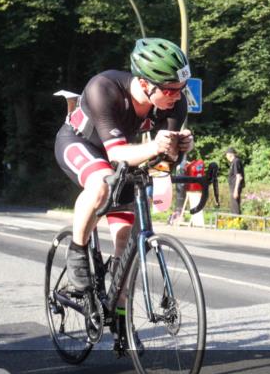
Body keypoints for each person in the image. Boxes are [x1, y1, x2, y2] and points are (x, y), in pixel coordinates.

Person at [54, 38, 194, 346]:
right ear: (144, 83)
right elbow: (116, 156)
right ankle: (78, 254)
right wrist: (156, 145)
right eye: (169, 90)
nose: (177, 96)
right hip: (80, 144)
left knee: (127, 240)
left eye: (182, 88)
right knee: (102, 185)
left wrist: (178, 150)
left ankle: (119, 314)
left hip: (127, 153)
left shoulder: (175, 102)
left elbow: (163, 162)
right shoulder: (102, 88)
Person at [226, 147, 245, 215]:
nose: (226, 156)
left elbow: (238, 176)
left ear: (230, 154)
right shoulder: (233, 162)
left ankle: (236, 223)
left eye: (226, 155)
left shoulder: (236, 161)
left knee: (235, 206)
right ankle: (235, 221)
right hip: (233, 187)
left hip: (235, 187)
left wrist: (236, 190)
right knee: (234, 206)